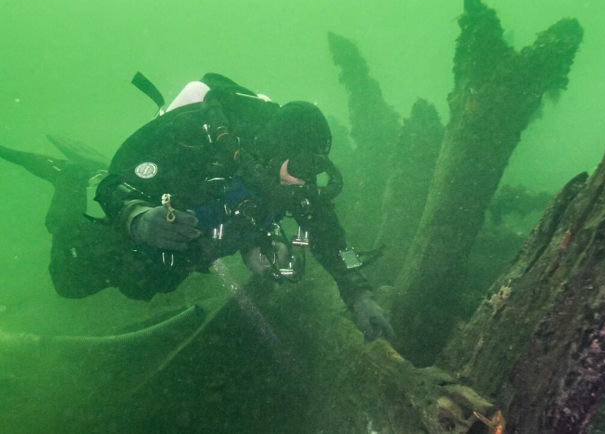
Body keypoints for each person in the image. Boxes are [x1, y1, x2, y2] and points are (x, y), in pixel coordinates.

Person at [0, 73, 394, 342]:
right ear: (271, 152)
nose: (305, 182)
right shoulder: (194, 144)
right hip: (139, 220)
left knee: (147, 284)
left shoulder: (292, 181)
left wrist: (358, 294)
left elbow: (336, 243)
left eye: (316, 168)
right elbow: (112, 184)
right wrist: (137, 218)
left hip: (186, 253)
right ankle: (66, 176)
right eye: (301, 167)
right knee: (69, 281)